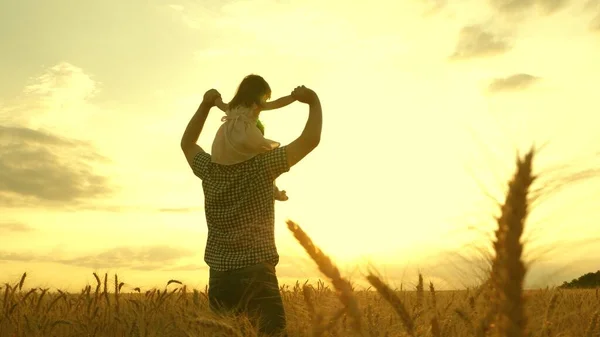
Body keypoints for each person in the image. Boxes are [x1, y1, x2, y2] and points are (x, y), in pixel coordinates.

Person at [180, 79, 322, 336]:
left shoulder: (210, 170)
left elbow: (187, 144)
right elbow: (310, 139)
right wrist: (313, 100)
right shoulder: (263, 166)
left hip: (220, 276)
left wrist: (205, 106)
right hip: (257, 270)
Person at [212, 75, 293, 201]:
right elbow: (277, 103)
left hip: (226, 141)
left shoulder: (232, 107)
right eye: (265, 97)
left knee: (243, 163)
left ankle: (274, 191)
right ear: (258, 94)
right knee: (266, 158)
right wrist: (294, 97)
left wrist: (215, 97)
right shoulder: (256, 104)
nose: (266, 101)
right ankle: (274, 191)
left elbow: (219, 104)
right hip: (247, 137)